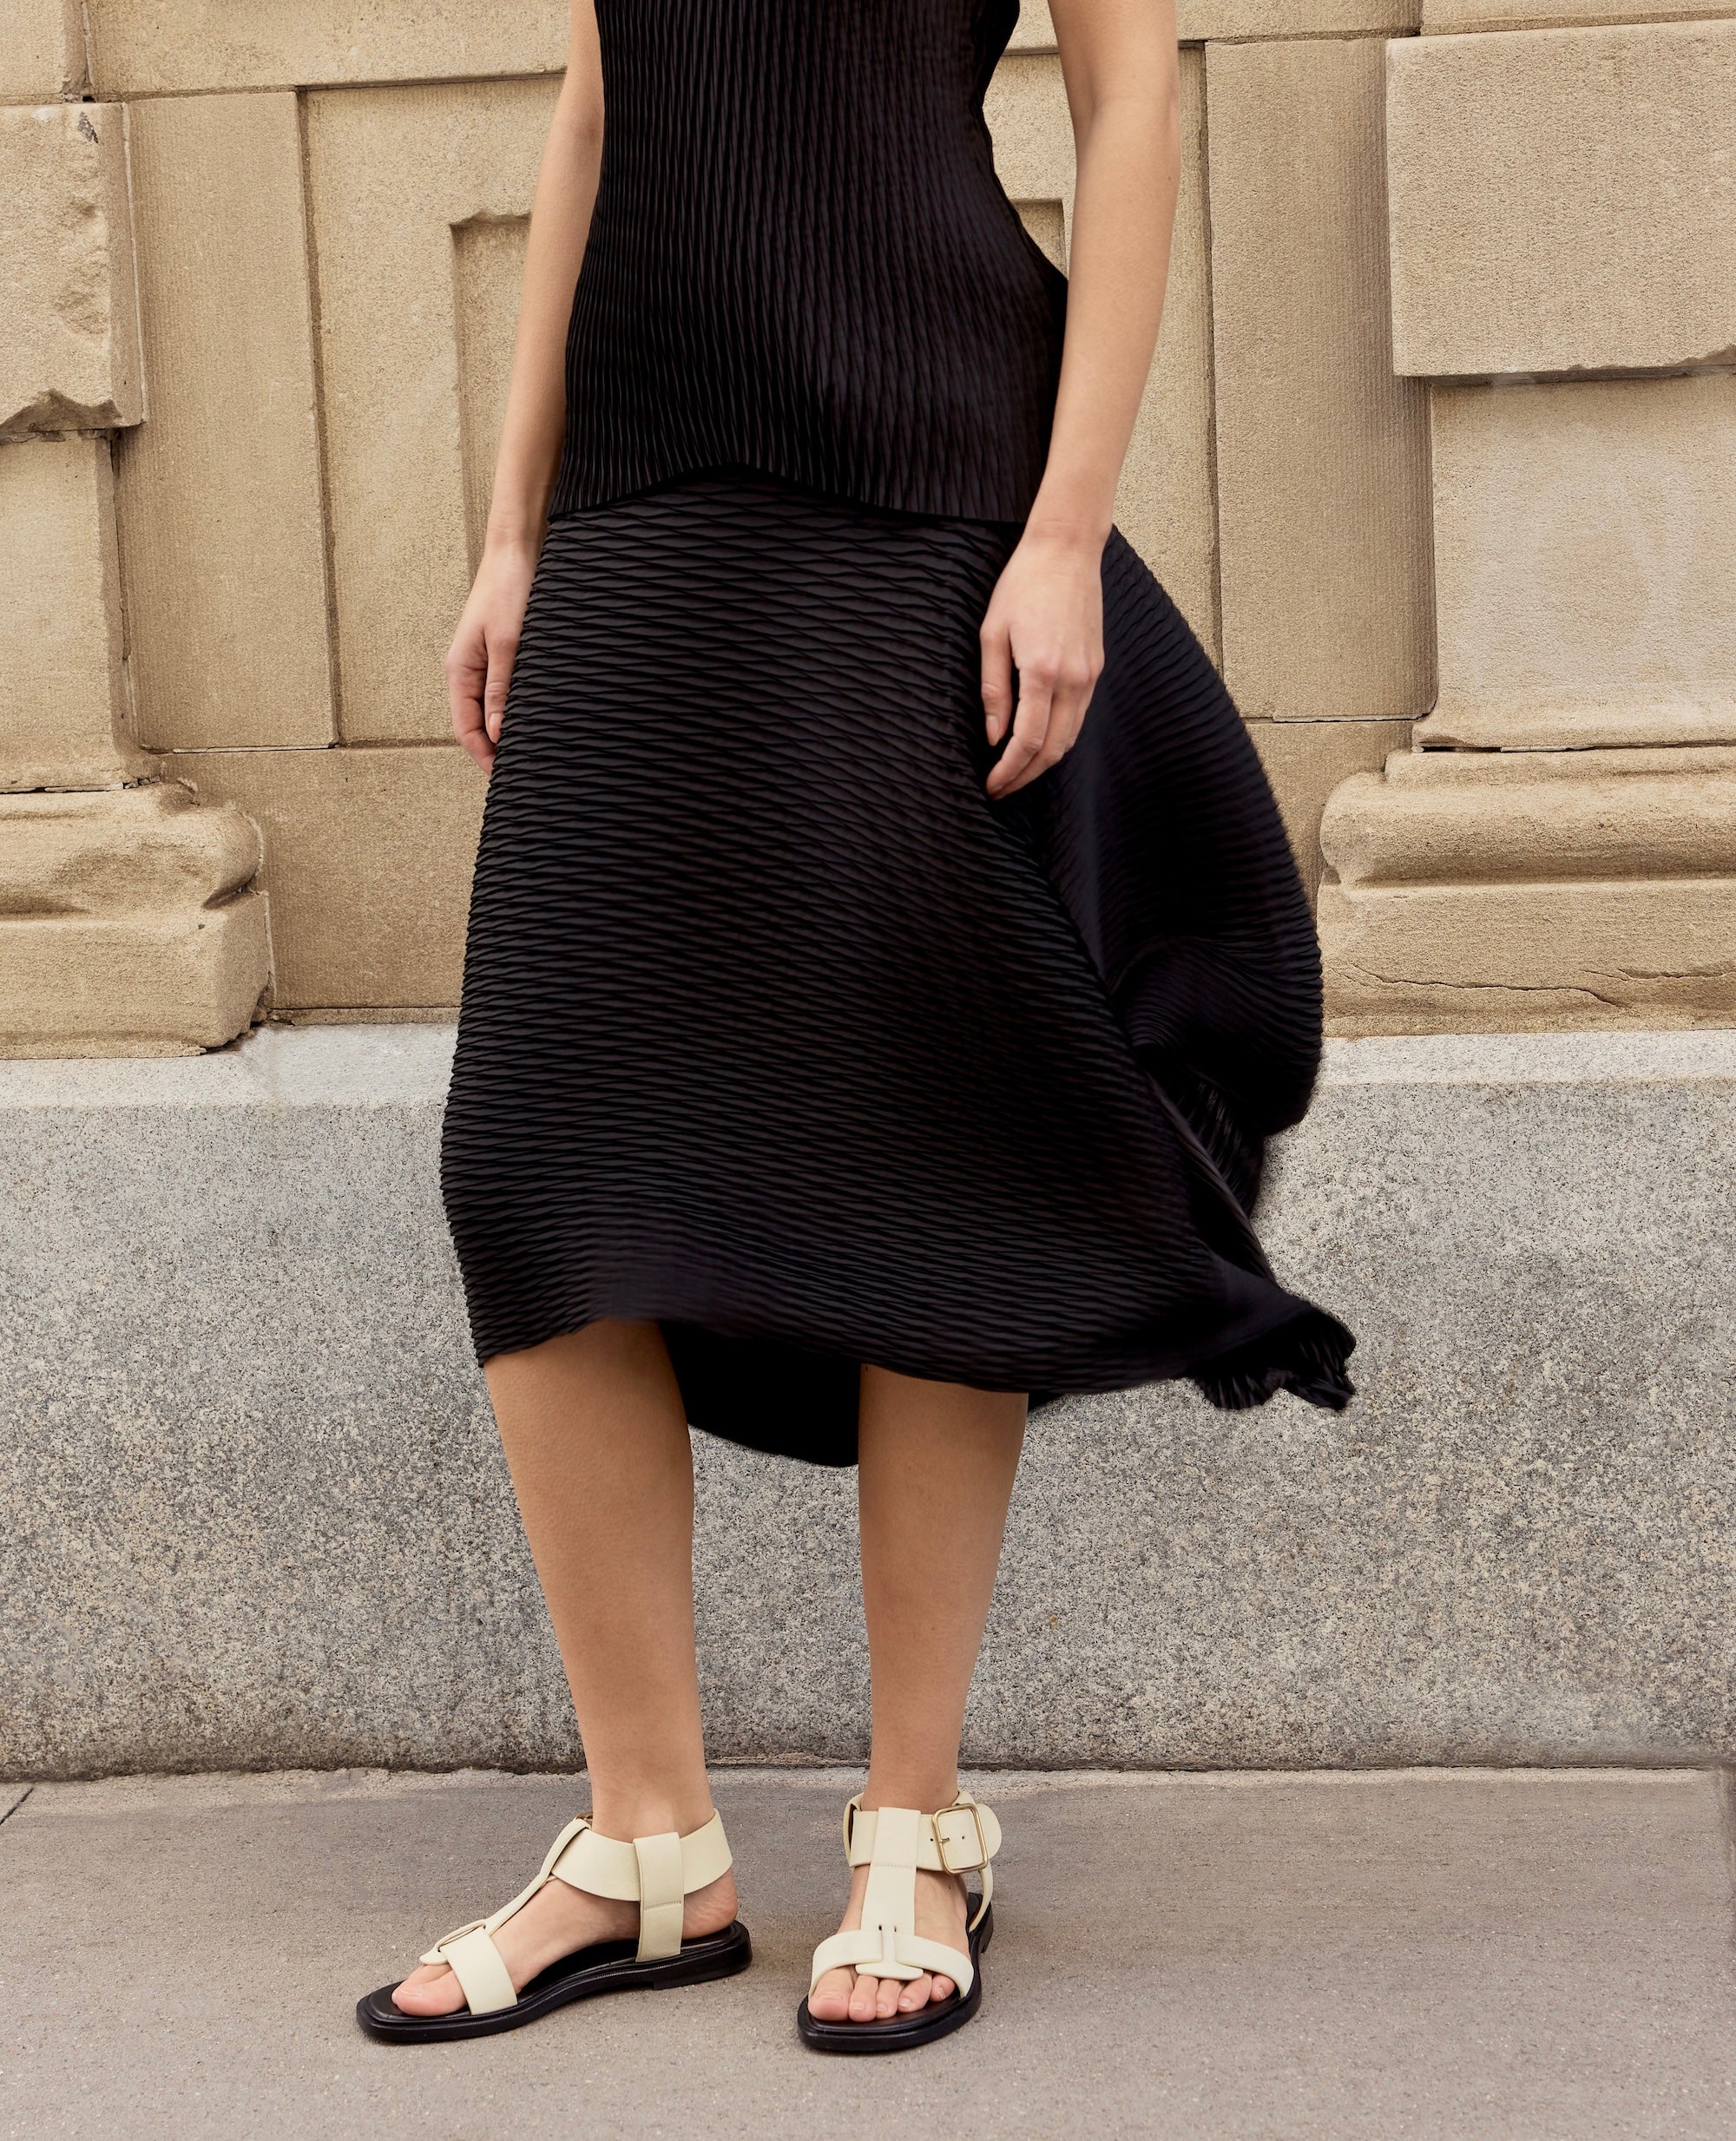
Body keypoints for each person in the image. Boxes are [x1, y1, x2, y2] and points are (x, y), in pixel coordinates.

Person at [356, 0, 1352, 2056]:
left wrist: (1065, 527)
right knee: (533, 1160)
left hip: (923, 466)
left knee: (924, 1119)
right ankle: (648, 1846)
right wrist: (514, 527)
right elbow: (600, 101)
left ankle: (915, 1815)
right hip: (638, 487)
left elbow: (1126, 88)